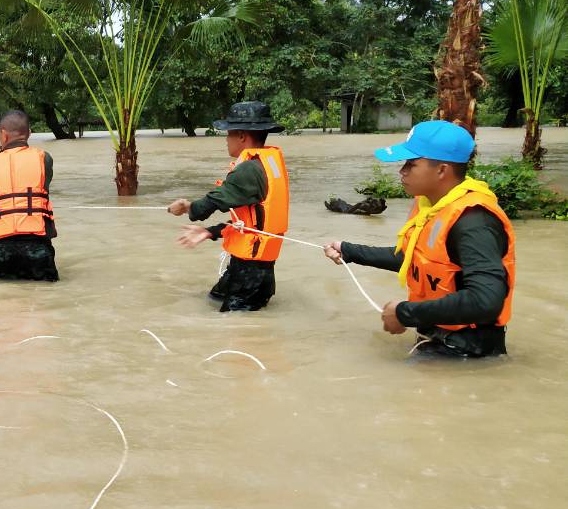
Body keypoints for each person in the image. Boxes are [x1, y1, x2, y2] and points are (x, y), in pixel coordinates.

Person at [323, 120, 515, 357]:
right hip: (439, 339)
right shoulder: (431, 205)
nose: (402, 171)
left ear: (442, 170)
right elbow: (415, 258)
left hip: (466, 350)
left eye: (411, 164)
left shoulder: (474, 223)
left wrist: (404, 313)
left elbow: (486, 300)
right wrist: (349, 251)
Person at [167, 101, 289, 312]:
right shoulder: (266, 164)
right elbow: (249, 223)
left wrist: (188, 207)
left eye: (228, 133)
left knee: (234, 327)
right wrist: (209, 232)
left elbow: (214, 201)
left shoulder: (249, 170)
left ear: (242, 135)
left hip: (250, 277)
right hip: (251, 268)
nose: (226, 139)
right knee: (214, 298)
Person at [0, 110, 58, 281]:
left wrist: (3, 220)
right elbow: (42, 191)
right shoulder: (45, 158)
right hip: (37, 245)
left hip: (2, 248)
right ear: (29, 133)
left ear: (4, 135)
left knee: (2, 298)